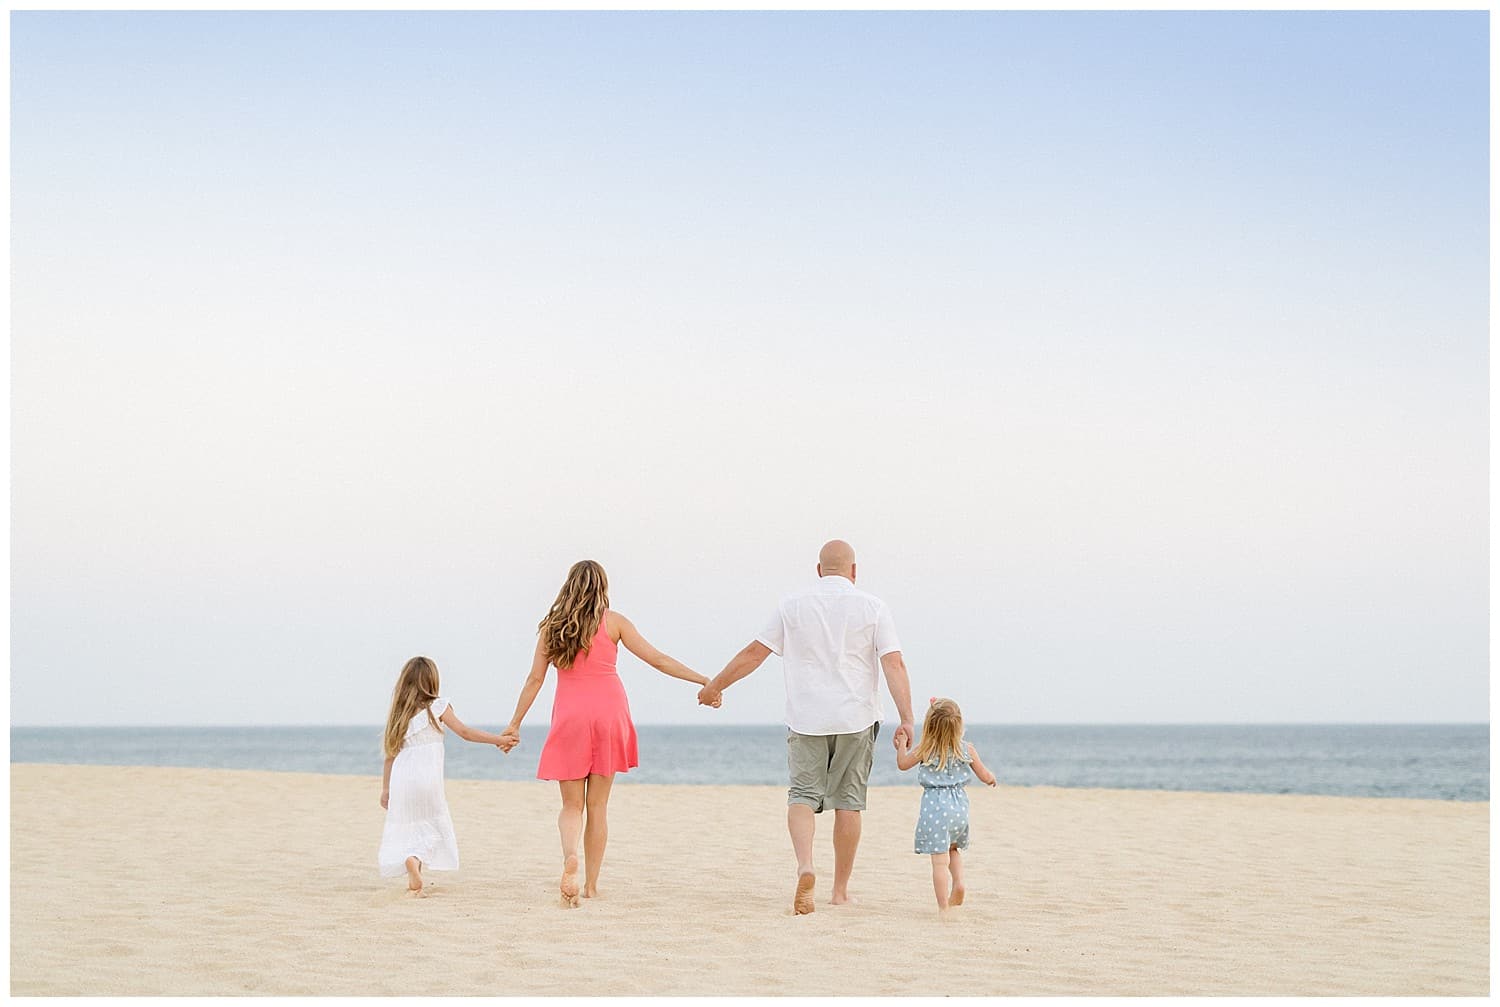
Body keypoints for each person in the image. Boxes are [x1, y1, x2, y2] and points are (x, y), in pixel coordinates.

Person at [697, 539, 915, 914]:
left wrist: (715, 686)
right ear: (854, 571)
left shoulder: (792, 605)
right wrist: (908, 718)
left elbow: (754, 654)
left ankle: (805, 865)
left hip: (807, 717)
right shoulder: (873, 607)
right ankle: (840, 891)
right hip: (856, 718)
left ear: (818, 570)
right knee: (848, 802)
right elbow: (893, 663)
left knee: (801, 795)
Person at [499, 559, 713, 907]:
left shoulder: (552, 628)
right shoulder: (614, 623)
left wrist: (515, 723)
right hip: (609, 714)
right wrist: (703, 679)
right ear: (603, 587)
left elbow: (534, 679)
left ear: (568, 586)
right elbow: (657, 659)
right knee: (598, 806)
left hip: (570, 716)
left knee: (572, 806)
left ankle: (571, 856)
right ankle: (592, 886)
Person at [378, 655, 509, 895]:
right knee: (430, 822)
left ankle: (412, 860)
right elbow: (465, 732)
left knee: (408, 825)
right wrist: (497, 740)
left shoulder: (400, 715)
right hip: (428, 779)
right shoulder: (438, 706)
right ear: (432, 681)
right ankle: (415, 859)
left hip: (402, 779)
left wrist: (385, 789)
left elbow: (389, 756)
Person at [895, 696, 998, 913]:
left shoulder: (925, 748)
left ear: (930, 724)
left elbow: (903, 764)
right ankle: (959, 883)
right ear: (959, 725)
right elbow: (984, 774)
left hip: (935, 808)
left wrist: (902, 746)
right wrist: (991, 779)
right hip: (959, 806)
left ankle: (943, 907)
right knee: (953, 849)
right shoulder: (967, 749)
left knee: (939, 861)